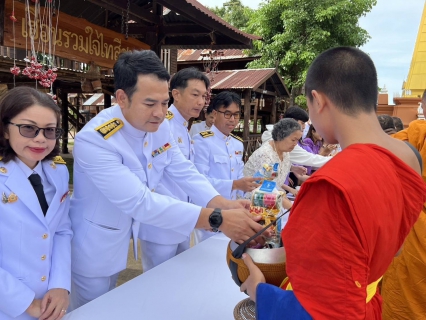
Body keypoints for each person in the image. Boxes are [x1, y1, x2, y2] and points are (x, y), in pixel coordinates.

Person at [240, 47, 426, 319]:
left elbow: (326, 311)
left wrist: (261, 292)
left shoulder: (333, 184)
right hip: (371, 301)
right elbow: (394, 249)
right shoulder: (410, 157)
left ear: (319, 100)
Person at [68, 51, 264, 310]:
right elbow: (140, 201)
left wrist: (223, 203)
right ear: (122, 98)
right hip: (95, 245)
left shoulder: (158, 126)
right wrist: (217, 218)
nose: (160, 113)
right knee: (90, 310)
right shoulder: (95, 140)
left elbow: (180, 167)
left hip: (128, 233)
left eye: (163, 102)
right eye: (150, 104)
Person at [0, 87, 72, 320]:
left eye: (49, 130)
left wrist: (61, 284)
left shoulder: (58, 172)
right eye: (28, 128)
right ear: (5, 130)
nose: (40, 138)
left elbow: (61, 230)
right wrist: (27, 303)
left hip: (50, 300)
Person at [138, 67, 214, 271]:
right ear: (176, 94)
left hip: (183, 220)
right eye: (195, 94)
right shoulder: (162, 125)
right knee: (158, 283)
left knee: (177, 279)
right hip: (162, 223)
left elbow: (188, 174)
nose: (201, 102)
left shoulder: (182, 127)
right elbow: (153, 179)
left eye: (204, 96)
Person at [192, 91, 261, 243]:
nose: (232, 120)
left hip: (234, 210)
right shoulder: (202, 142)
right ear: (215, 114)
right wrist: (235, 185)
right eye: (227, 114)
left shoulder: (236, 143)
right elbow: (199, 181)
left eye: (236, 115)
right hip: (211, 213)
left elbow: (239, 176)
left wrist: (247, 187)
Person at [381, 93, 426, 320]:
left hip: (416, 233)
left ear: (422, 107)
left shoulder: (415, 134)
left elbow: (378, 154)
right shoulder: (417, 134)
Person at [243, 118, 301, 215]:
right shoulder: (265, 155)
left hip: (271, 201)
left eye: (297, 140)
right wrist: (294, 209)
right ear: (280, 136)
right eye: (293, 140)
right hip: (253, 203)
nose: (295, 144)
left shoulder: (285, 153)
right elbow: (270, 188)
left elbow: (276, 183)